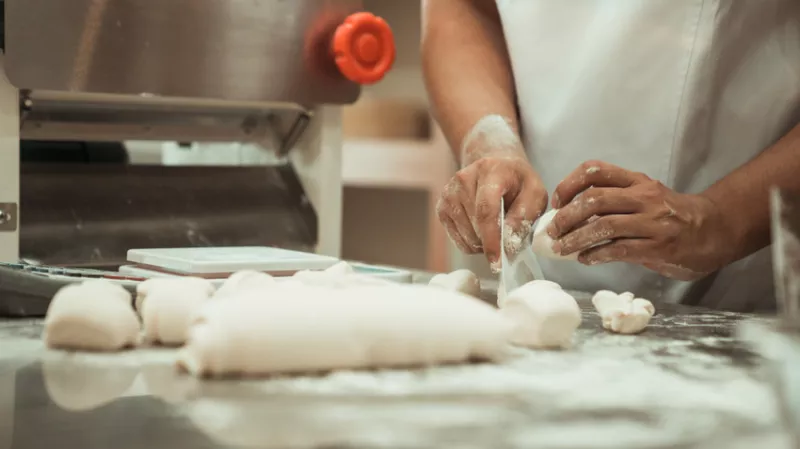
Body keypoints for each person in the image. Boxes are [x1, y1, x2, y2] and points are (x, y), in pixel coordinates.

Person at [422, 0, 800, 311]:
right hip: (546, 293)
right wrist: (491, 142)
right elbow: (464, 10)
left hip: (749, 284)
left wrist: (721, 219)